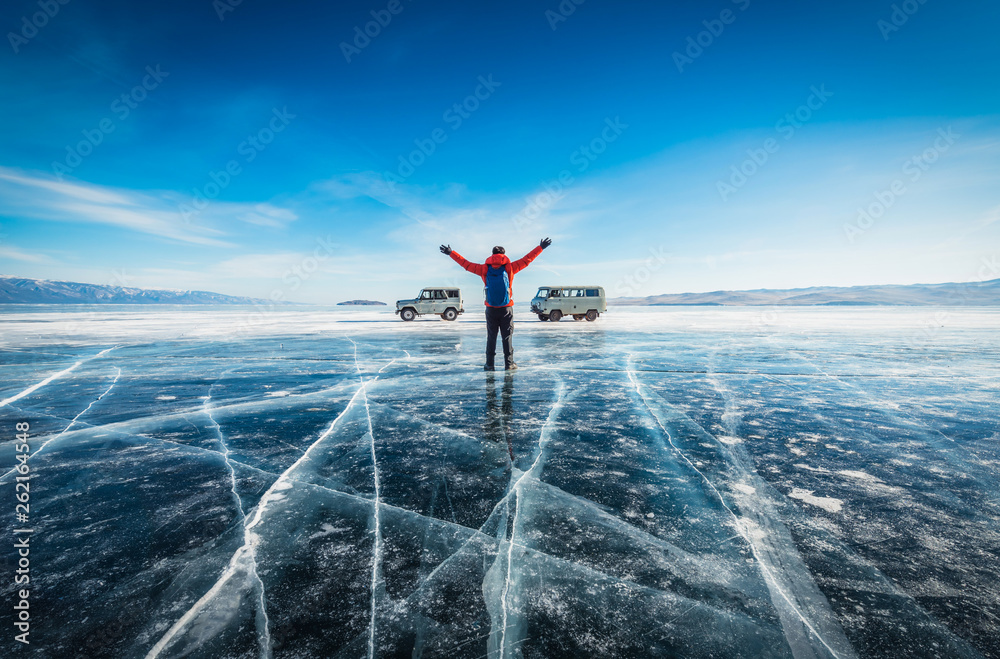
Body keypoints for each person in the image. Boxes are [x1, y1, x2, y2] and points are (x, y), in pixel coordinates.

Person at [440, 238, 552, 371]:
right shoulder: (510, 267)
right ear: (504, 255)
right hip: (506, 308)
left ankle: (489, 364)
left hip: (491, 309)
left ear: (491, 255)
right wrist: (540, 247)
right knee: (507, 336)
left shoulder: (484, 269)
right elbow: (527, 260)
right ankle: (509, 364)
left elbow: (466, 264)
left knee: (491, 336)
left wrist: (451, 253)